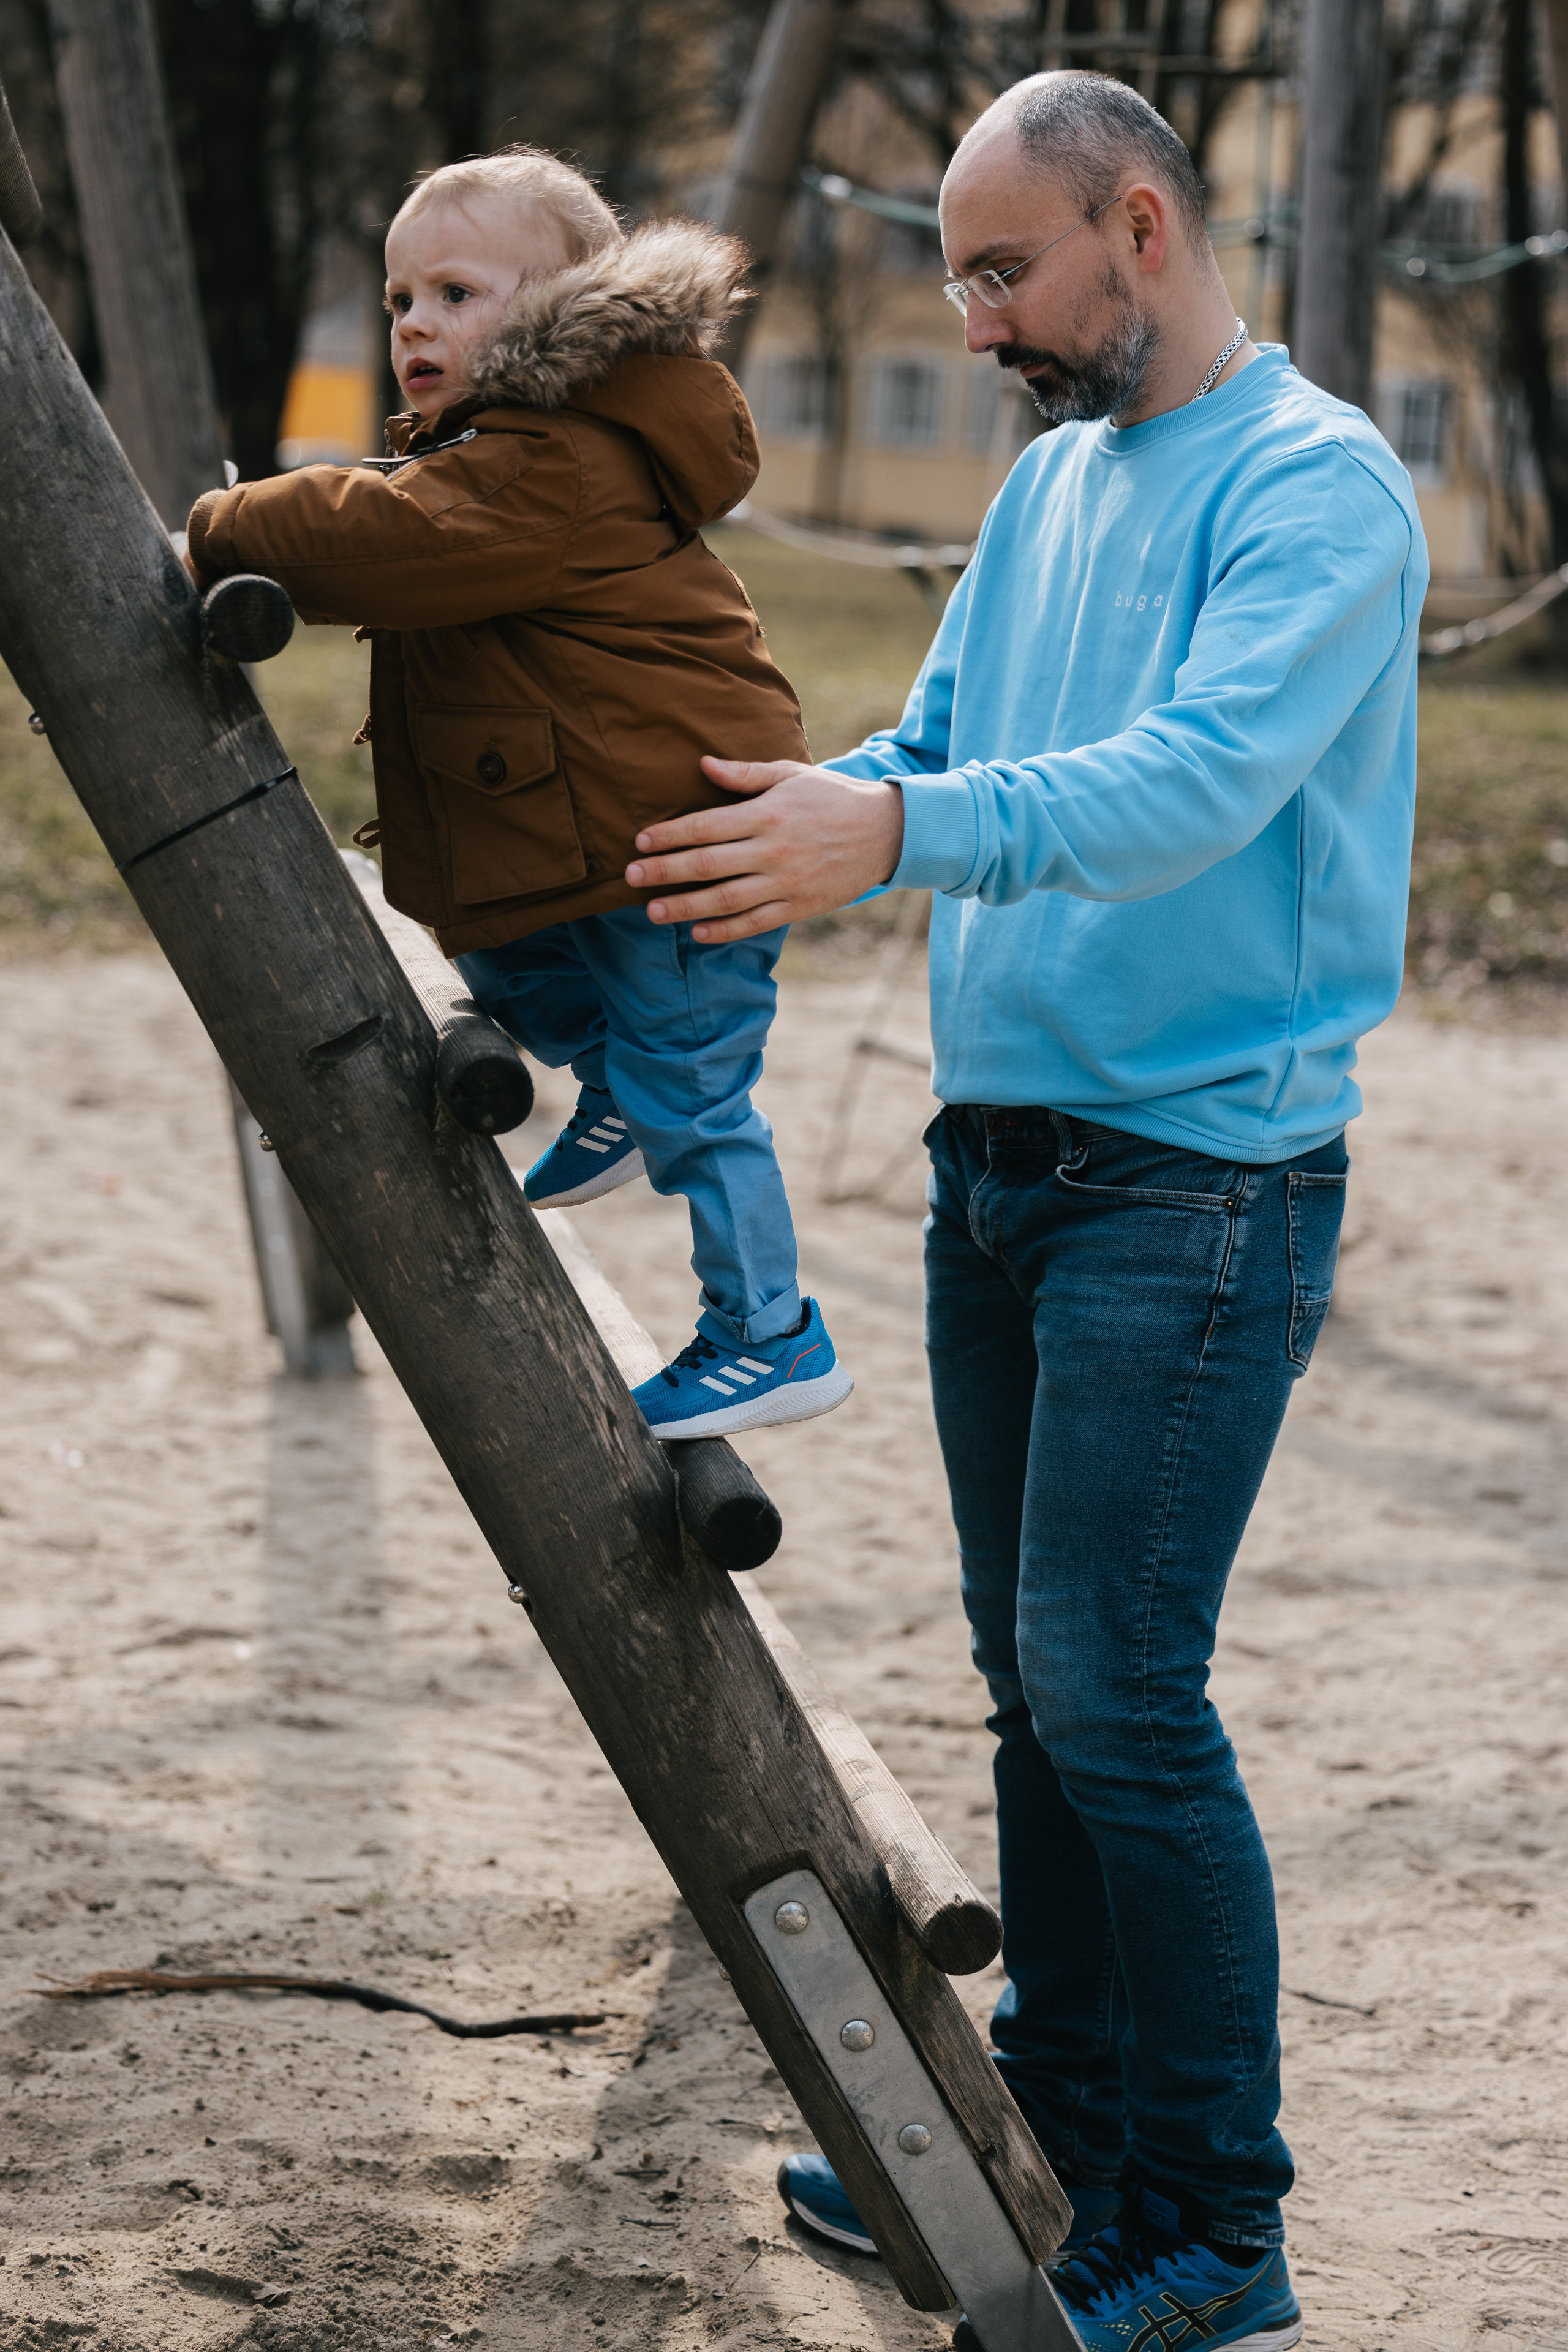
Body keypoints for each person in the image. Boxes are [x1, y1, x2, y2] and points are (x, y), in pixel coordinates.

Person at [620, 70, 1427, 2352]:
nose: (974, 320)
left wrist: (895, 839)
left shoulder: (1319, 488)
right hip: (1004, 1171)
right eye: (961, 276)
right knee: (1030, 1684)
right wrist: (787, 811)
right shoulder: (1056, 474)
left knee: (1120, 1691)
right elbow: (953, 739)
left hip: (1204, 1181)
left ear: (1141, 229)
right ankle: (1051, 2143)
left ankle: (1220, 2230)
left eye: (1001, 271)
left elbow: (1186, 787)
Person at [185, 147, 852, 1444]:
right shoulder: (511, 454)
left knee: (696, 1103)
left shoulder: (553, 462)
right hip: (616, 836)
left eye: (456, 293)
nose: (416, 325)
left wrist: (219, 526)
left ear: (560, 309)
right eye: (399, 302)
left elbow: (396, 537)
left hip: (684, 850)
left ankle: (769, 1335)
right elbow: (405, 545)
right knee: (506, 949)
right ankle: (608, 1082)